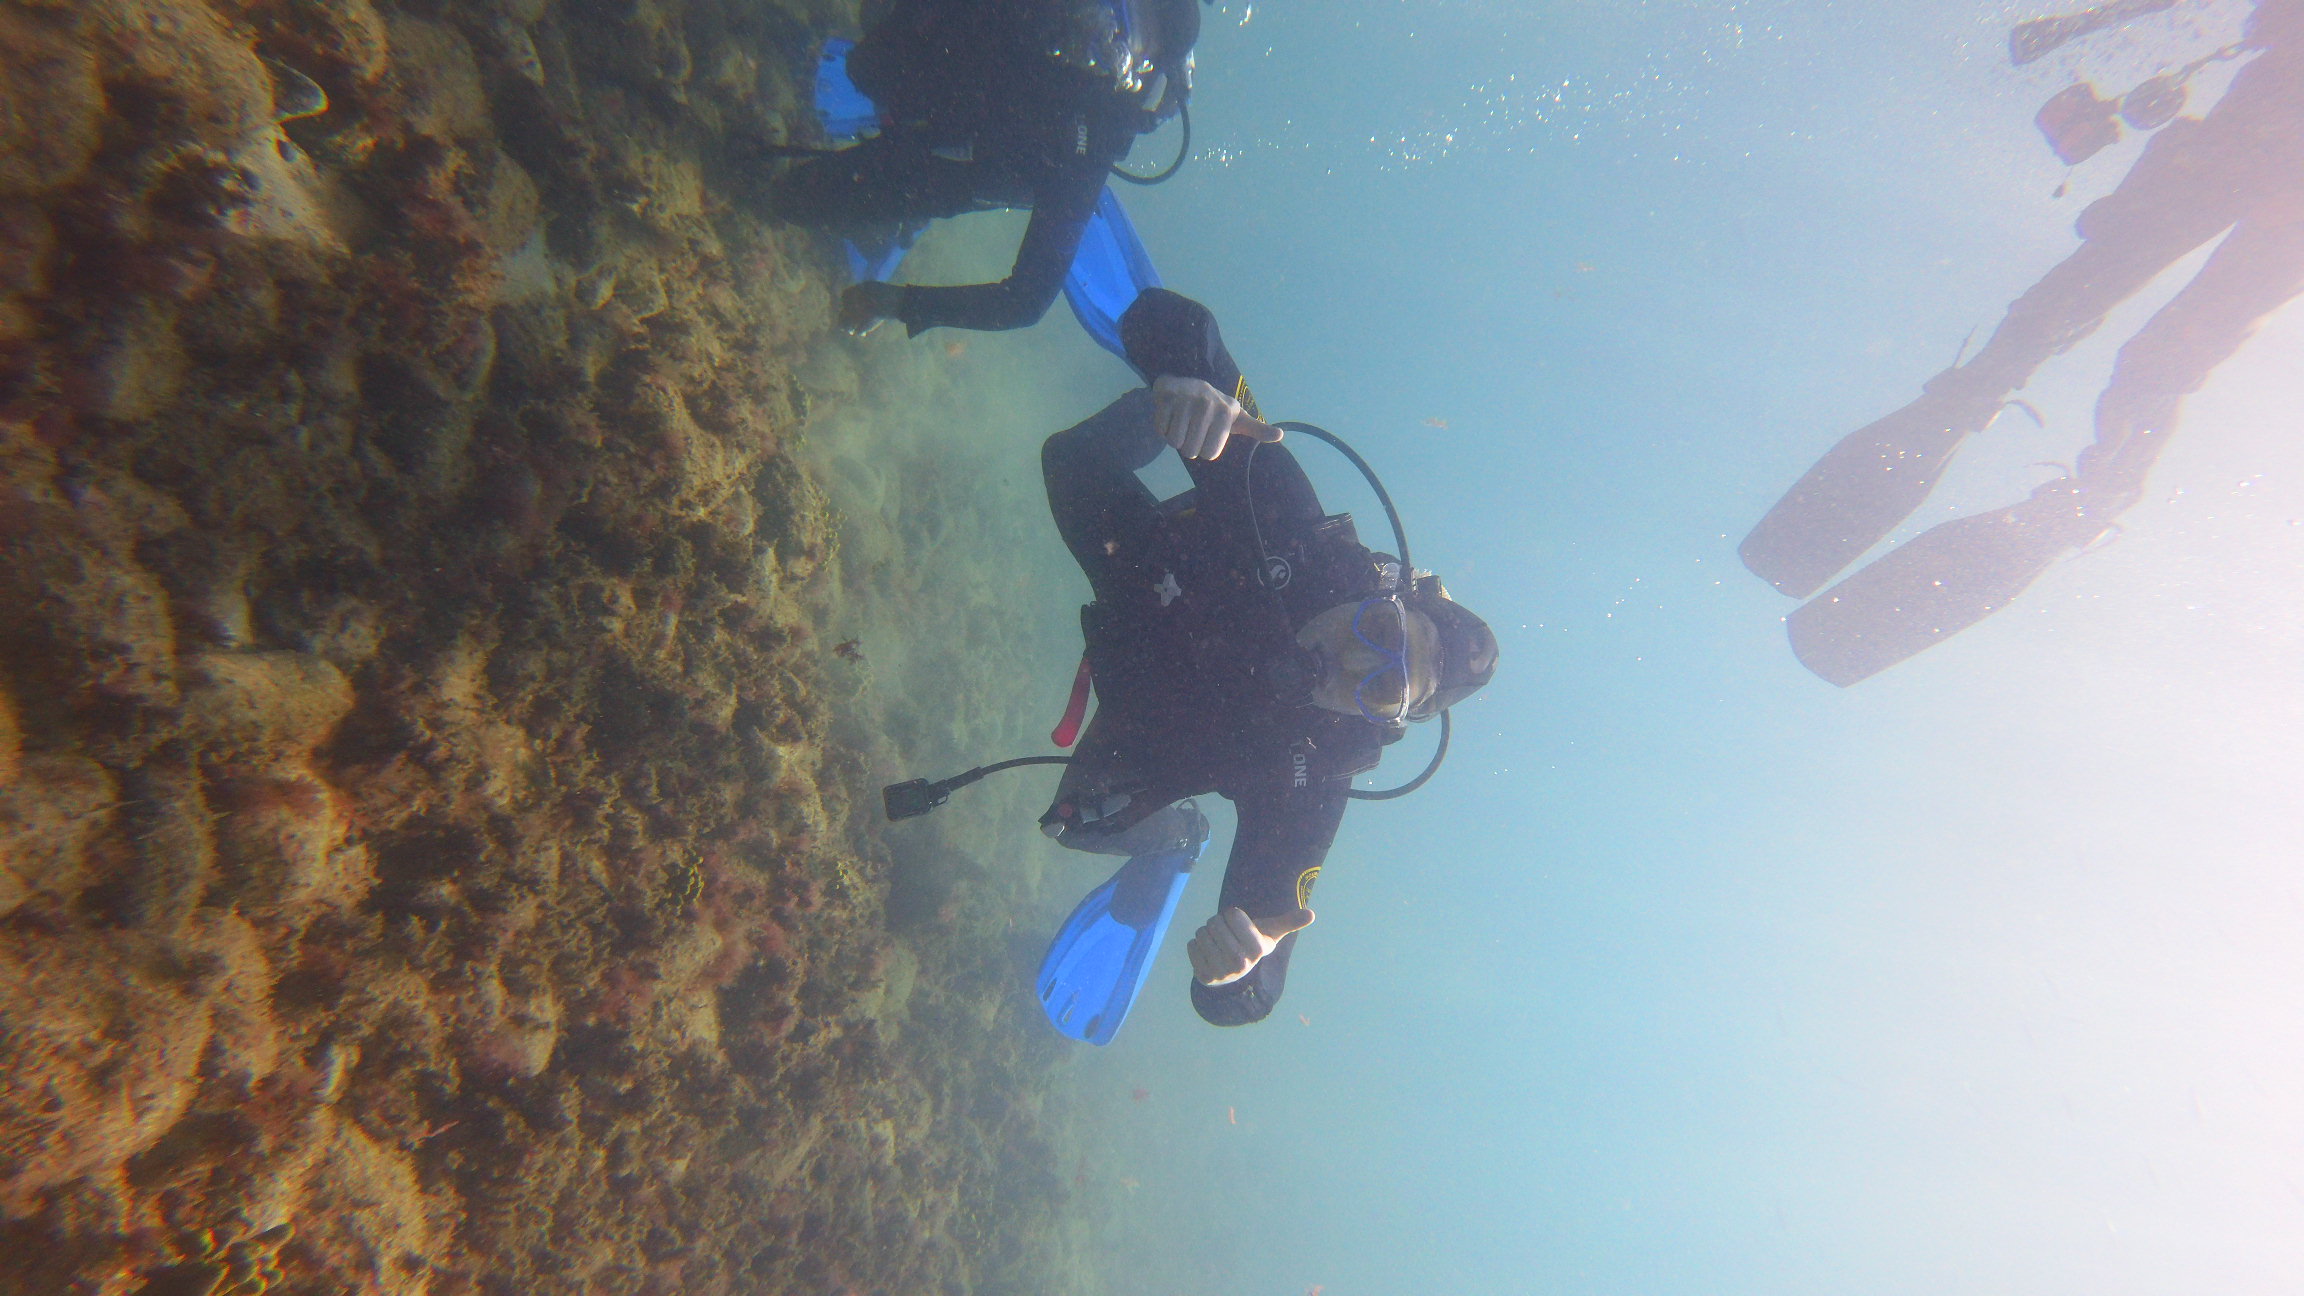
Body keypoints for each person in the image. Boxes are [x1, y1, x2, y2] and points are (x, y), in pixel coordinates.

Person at [1738, 0, 2304, 686]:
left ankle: (2036, 452)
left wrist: (2082, 27)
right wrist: (2082, 27)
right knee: (2147, 336)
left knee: (2128, 318)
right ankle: (2074, 485)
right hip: (2255, 140)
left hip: (2251, 140)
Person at [1035, 289, 1500, 1025]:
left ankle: (1176, 842)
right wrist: (1189, 391)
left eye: (1382, 691)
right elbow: (1175, 323)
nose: (1354, 663)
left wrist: (1236, 969)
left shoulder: (1313, 777)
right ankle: (1156, 416)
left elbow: (1250, 995)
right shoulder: (1292, 529)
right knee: (1068, 459)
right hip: (1140, 578)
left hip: (1149, 722)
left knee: (1071, 823)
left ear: (1384, 721)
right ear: (1382, 592)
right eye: (1380, 629)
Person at [769, 0, 1202, 337]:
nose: (1107, 27)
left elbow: (1025, 301)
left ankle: (892, 220)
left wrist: (899, 304)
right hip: (924, 66)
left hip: (942, 168)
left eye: (1131, 34)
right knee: (866, 56)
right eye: (1118, 9)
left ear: (1142, 67)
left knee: (787, 198)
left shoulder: (1090, 143)